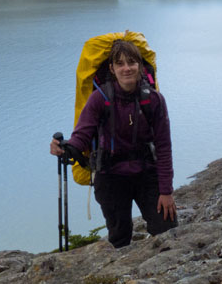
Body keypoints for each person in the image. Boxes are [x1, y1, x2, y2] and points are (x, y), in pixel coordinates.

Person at [49, 40, 177, 248]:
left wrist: (166, 191)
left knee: (167, 230)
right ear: (112, 68)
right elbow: (82, 134)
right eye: (120, 63)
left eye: (131, 62)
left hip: (147, 173)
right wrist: (65, 147)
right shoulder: (99, 99)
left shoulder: (153, 100)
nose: (126, 68)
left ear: (140, 66)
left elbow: (163, 147)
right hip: (110, 176)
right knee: (119, 237)